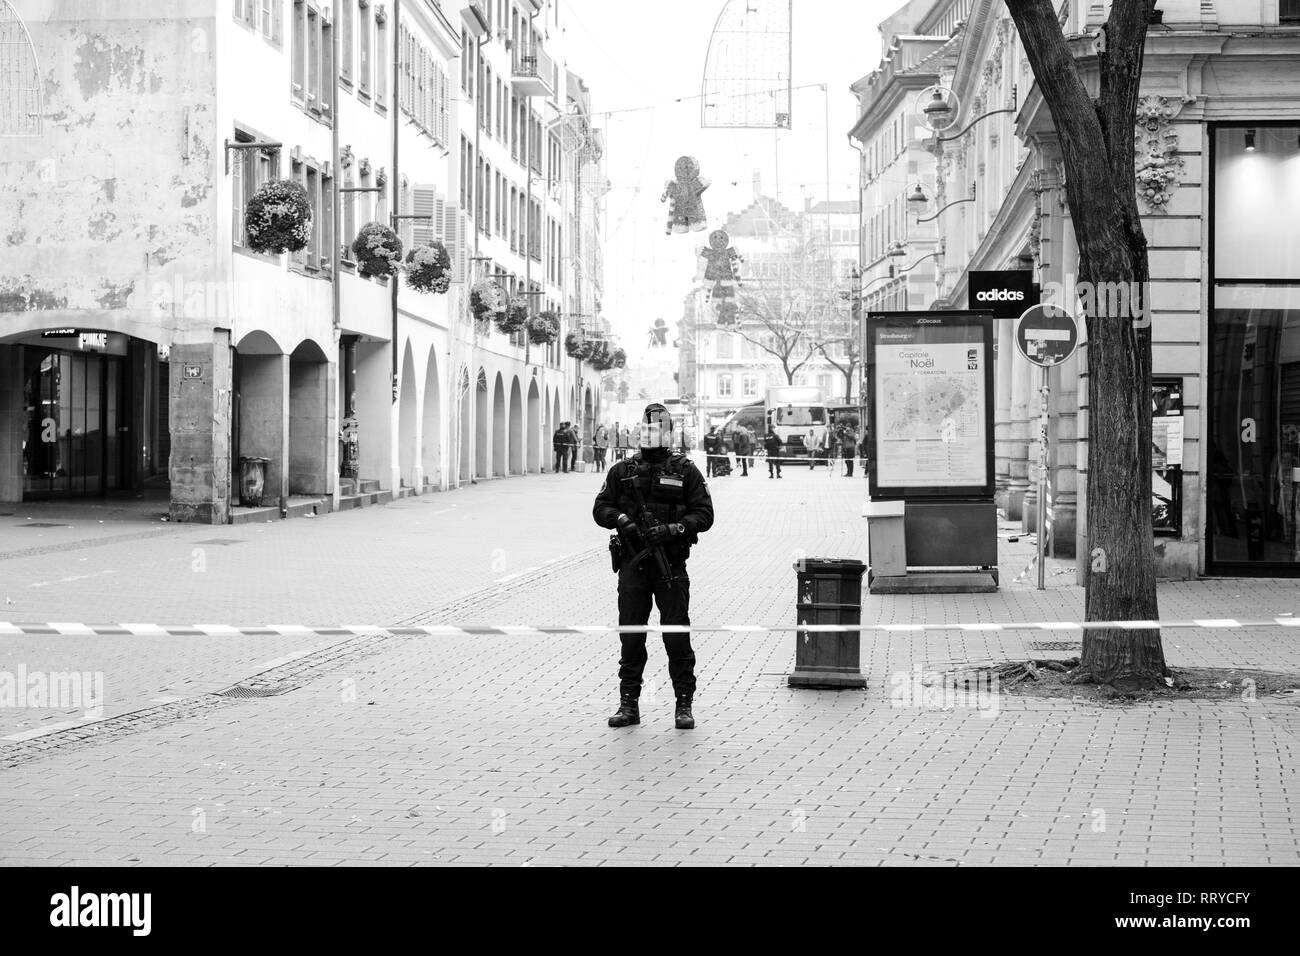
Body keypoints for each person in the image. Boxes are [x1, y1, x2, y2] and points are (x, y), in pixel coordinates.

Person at [594, 404, 714, 730]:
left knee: (676, 635)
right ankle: (629, 704)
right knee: (631, 636)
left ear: (669, 433)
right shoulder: (622, 471)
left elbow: (705, 515)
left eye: (658, 430)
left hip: (670, 566)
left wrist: (674, 528)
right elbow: (600, 508)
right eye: (647, 430)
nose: (652, 436)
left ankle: (683, 704)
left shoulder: (685, 471)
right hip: (633, 566)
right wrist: (621, 520)